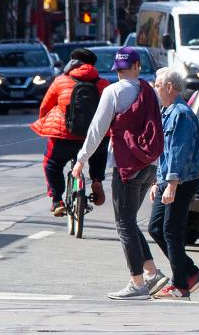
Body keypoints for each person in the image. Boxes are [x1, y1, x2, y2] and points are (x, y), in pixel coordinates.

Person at [72, 47, 168, 300]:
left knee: (124, 225)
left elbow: (97, 129)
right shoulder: (150, 91)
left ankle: (137, 284)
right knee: (130, 221)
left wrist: (81, 159)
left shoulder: (113, 92)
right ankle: (152, 273)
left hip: (126, 167)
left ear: (117, 69)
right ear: (137, 67)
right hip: (150, 165)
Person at [147, 68, 199, 300]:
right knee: (156, 228)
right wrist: (157, 181)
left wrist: (172, 184)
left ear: (169, 87)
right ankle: (190, 271)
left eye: (157, 85)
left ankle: (181, 285)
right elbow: (164, 152)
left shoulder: (181, 114)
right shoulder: (167, 112)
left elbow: (179, 153)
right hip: (167, 179)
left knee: (171, 231)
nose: (155, 89)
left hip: (181, 181)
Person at [30, 48, 109, 216]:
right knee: (99, 153)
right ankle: (97, 179)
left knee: (52, 163)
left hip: (65, 136)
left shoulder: (60, 81)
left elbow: (45, 106)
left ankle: (57, 200)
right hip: (94, 138)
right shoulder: (103, 84)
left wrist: (46, 122)